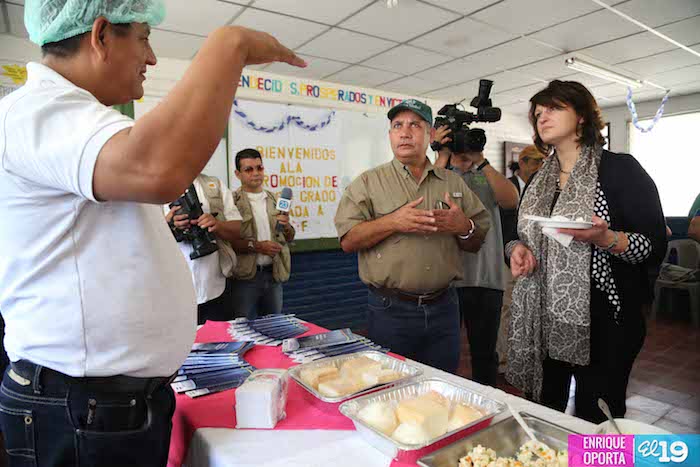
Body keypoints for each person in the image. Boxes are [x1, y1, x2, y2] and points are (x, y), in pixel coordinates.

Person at [0, 0, 304, 464]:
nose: (152, 58)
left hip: (108, 403)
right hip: (82, 406)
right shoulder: (41, 111)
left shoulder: (81, 121)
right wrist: (231, 44)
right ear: (101, 35)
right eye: (144, 38)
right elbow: (159, 168)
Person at [505, 80, 667, 423]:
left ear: (581, 115)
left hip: (603, 318)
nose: (542, 117)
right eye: (537, 112)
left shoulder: (620, 169)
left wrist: (605, 238)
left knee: (598, 418)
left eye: (553, 108)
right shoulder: (538, 179)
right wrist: (516, 249)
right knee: (544, 412)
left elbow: (653, 245)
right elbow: (518, 234)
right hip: (544, 315)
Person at [334, 99, 491, 374]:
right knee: (390, 385)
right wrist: (393, 222)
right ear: (390, 135)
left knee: (443, 386)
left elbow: (476, 241)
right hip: (390, 310)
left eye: (415, 125)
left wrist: (462, 226)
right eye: (398, 126)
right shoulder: (368, 182)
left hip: (445, 308)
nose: (405, 133)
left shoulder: (452, 182)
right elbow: (348, 241)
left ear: (431, 134)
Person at [432, 128, 519, 386]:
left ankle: (487, 401)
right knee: (441, 354)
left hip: (486, 278)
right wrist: (442, 155)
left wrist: (481, 160)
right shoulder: (441, 174)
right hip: (446, 280)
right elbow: (422, 198)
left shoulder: (486, 174)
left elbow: (511, 201)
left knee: (485, 355)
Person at [164, 173, 242, 325]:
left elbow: (238, 229)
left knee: (220, 339)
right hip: (174, 294)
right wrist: (170, 224)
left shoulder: (214, 185)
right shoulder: (155, 187)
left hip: (216, 287)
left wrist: (217, 225)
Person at [228, 149, 295, 319]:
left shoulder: (275, 200)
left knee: (274, 327)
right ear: (237, 174)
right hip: (245, 279)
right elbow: (227, 242)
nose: (256, 173)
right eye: (249, 169)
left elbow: (289, 237)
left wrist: (286, 226)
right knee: (242, 328)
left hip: (274, 275)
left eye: (259, 168)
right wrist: (258, 247)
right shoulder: (231, 202)